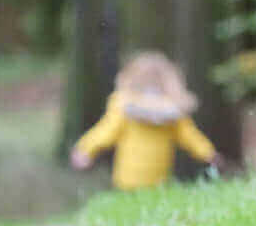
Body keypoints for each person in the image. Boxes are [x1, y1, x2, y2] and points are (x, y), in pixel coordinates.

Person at [70, 51, 219, 190]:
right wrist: (208, 152)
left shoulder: (124, 103)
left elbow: (106, 131)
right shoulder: (173, 108)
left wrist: (85, 148)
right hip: (158, 178)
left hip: (127, 178)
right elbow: (189, 136)